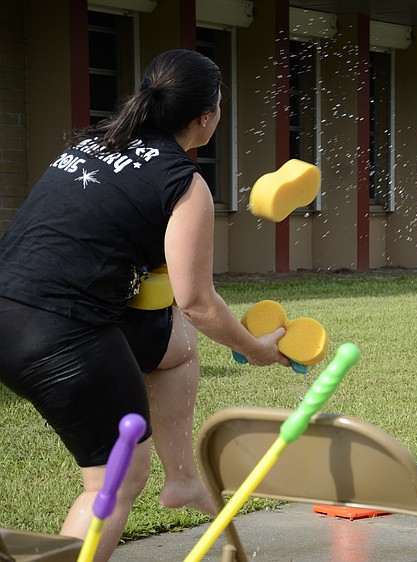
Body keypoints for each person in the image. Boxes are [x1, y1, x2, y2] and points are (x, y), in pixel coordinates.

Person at [0, 49, 290, 562]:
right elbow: (198, 300)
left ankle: (180, 479)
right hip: (59, 334)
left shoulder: (93, 142)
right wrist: (255, 348)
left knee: (175, 343)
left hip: (10, 310)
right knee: (115, 478)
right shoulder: (184, 183)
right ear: (206, 118)